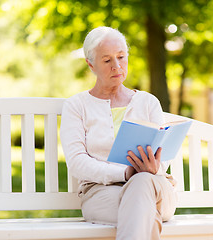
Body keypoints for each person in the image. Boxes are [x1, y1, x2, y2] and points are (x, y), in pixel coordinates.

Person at [60, 26, 177, 240]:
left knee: (141, 185)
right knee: (141, 210)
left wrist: (154, 167)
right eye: (107, 61)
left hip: (154, 187)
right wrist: (124, 174)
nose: (117, 66)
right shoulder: (76, 106)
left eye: (121, 57)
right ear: (91, 64)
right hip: (101, 193)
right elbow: (77, 162)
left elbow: (163, 156)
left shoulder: (148, 102)